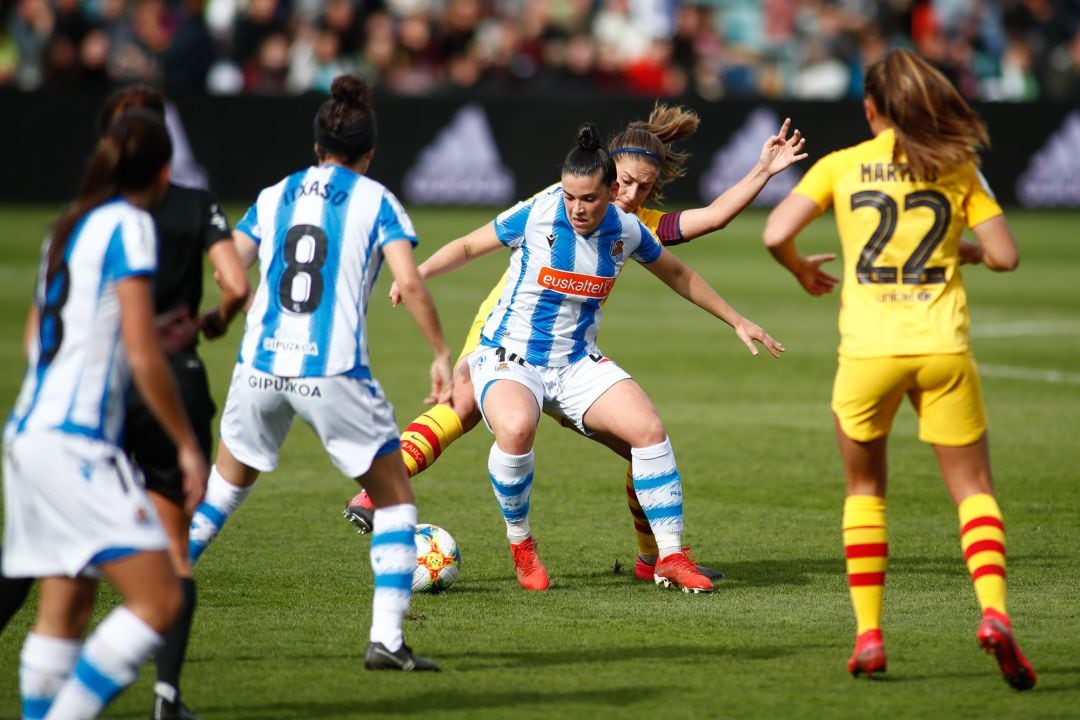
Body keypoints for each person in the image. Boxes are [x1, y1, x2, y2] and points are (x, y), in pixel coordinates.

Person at [345, 104, 806, 585]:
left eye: (643, 187)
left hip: (572, 352)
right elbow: (471, 245)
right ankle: (380, 491)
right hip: (508, 322)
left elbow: (708, 222)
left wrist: (761, 171)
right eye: (624, 181)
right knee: (468, 406)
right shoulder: (555, 205)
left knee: (639, 444)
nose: (631, 194)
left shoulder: (634, 223)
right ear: (605, 172)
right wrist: (416, 278)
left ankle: (655, 558)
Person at [761, 48, 1036, 690]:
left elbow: (776, 232)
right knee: (973, 491)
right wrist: (957, 250)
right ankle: (994, 615)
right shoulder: (956, 164)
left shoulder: (841, 165)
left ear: (870, 108)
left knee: (865, 491)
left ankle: (869, 637)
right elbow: (1005, 257)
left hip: (869, 353)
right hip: (942, 349)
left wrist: (802, 268)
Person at [185, 74, 452, 670]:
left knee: (223, 490)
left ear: (316, 148)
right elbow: (409, 282)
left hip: (259, 365)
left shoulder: (276, 193)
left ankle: (162, 582)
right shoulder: (376, 199)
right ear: (370, 153)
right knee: (395, 501)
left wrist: (232, 313)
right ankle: (386, 640)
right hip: (332, 369)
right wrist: (439, 353)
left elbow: (232, 263)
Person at [0, 84, 250, 720]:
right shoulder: (131, 223)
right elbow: (144, 356)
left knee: (66, 607)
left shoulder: (70, 221)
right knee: (161, 598)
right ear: (165, 170)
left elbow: (39, 337)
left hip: (27, 433)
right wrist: (190, 448)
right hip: (77, 440)